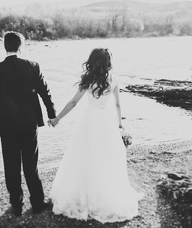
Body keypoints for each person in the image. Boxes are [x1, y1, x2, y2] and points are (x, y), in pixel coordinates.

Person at [48, 48, 144, 223]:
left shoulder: (88, 80)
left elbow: (74, 102)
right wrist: (121, 125)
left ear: (92, 61)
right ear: (107, 63)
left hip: (89, 119)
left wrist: (57, 118)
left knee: (83, 155)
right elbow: (117, 104)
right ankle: (105, 192)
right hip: (107, 121)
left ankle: (85, 194)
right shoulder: (113, 79)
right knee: (106, 157)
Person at [0, 31, 56, 216]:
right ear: (21, 46)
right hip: (29, 124)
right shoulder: (33, 66)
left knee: (11, 165)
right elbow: (44, 91)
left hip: (6, 127)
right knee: (30, 164)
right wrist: (51, 113)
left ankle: (16, 205)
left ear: (5, 46)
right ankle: (38, 202)